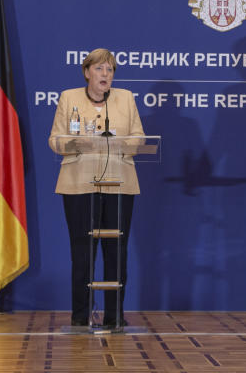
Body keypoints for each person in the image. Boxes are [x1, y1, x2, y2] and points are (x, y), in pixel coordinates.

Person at [48, 48, 145, 328]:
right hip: (79, 184)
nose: (106, 75)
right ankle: (81, 316)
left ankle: (115, 316)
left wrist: (119, 143)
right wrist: (76, 143)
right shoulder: (69, 97)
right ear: (87, 72)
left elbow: (139, 136)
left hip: (119, 182)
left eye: (110, 70)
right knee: (82, 250)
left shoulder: (125, 98)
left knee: (117, 250)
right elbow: (55, 140)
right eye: (100, 69)